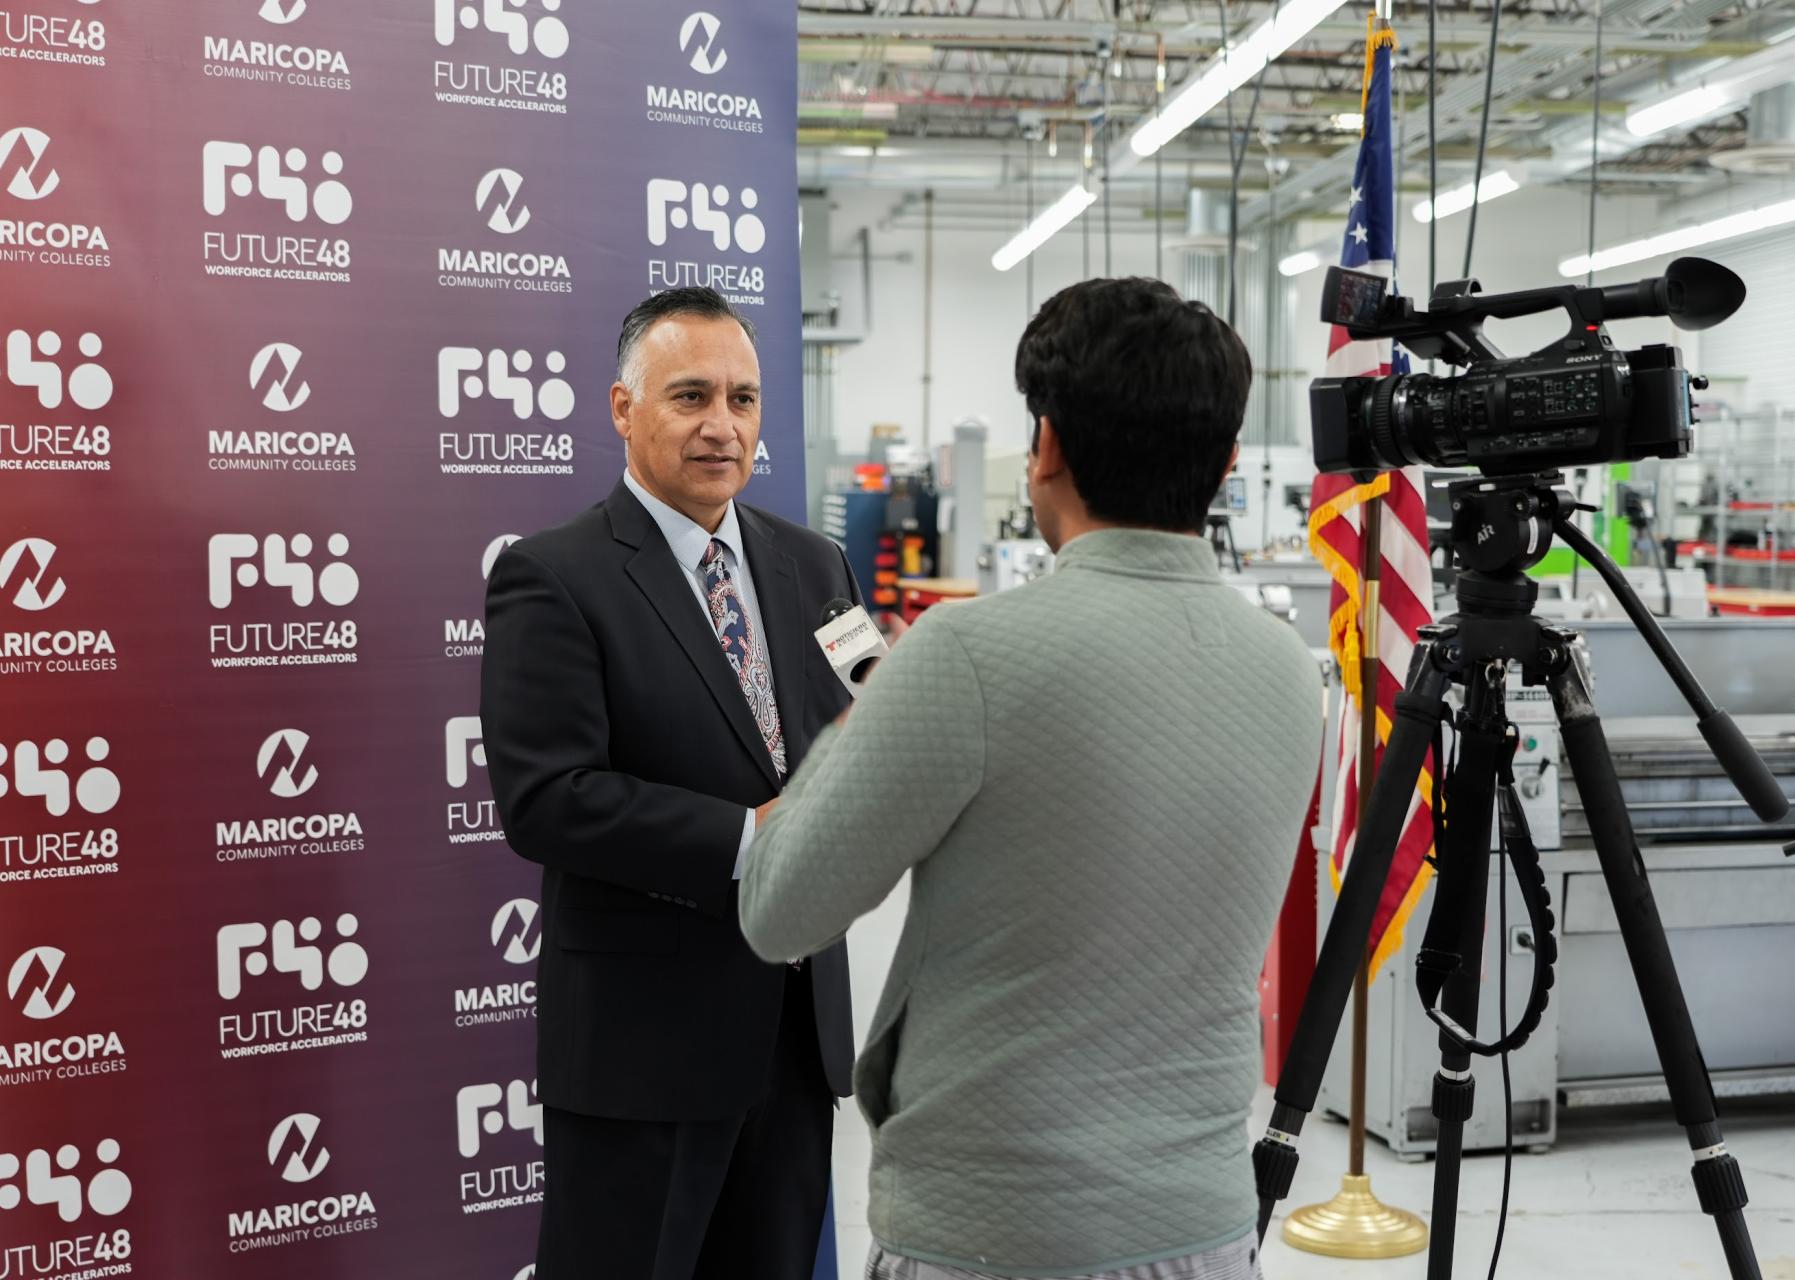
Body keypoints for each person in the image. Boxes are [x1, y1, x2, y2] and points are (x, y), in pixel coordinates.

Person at [739, 277, 1324, 1280]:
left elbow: (779, 909)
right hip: (1208, 1225)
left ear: (1045, 445)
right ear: (1228, 464)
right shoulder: (1286, 667)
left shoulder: (967, 654)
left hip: (992, 1231)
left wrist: (857, 727)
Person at [480, 286, 858, 1280]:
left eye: (742, 398)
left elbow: (857, 725)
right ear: (622, 408)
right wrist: (754, 833)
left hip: (792, 1035)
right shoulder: (553, 575)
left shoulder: (817, 564)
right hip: (640, 1047)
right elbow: (547, 795)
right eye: (690, 395)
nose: (721, 425)